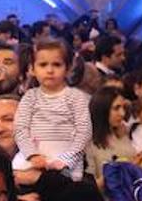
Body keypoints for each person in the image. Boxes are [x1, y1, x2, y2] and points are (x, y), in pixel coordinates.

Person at [15, 39, 91, 183]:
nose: (50, 70)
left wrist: (65, 160)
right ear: (32, 69)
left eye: (57, 64)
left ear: (67, 69)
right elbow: (20, 130)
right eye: (43, 65)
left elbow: (84, 132)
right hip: (30, 162)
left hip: (66, 165)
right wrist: (32, 155)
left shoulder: (76, 97)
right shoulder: (30, 97)